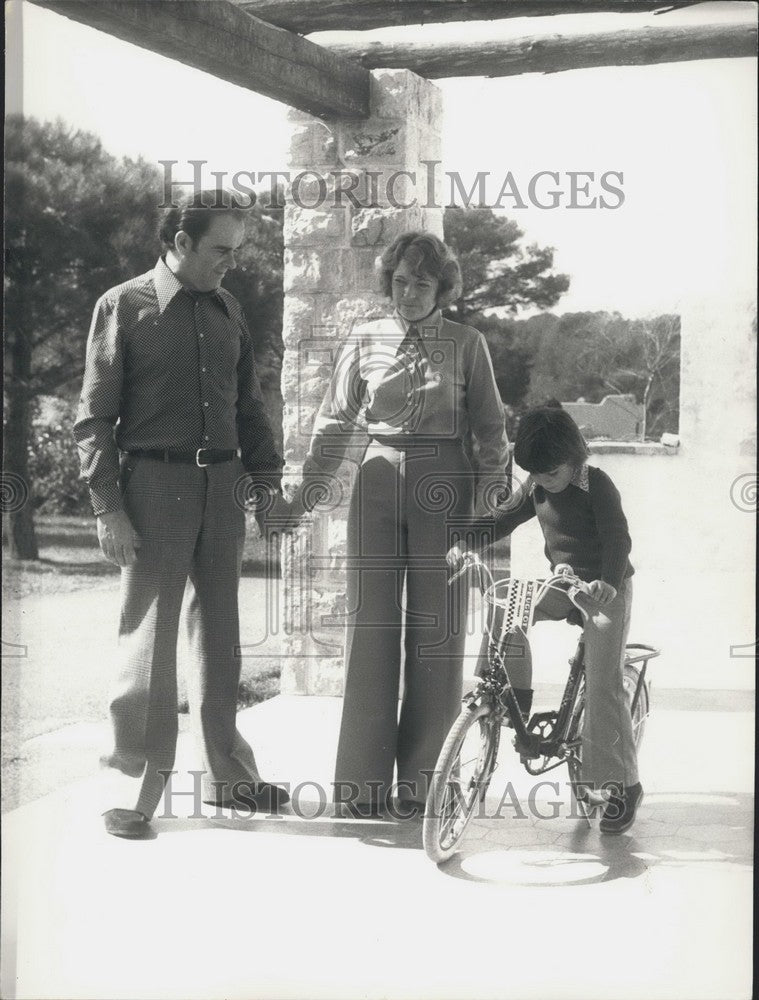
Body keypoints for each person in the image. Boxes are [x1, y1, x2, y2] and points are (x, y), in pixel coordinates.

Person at [74, 190, 292, 838]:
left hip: (221, 486)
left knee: (219, 639)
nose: (231, 263)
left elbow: (249, 409)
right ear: (179, 243)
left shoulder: (227, 311)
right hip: (154, 484)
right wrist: (108, 509)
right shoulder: (123, 306)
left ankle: (230, 779)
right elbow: (94, 419)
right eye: (221, 250)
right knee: (149, 641)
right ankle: (140, 794)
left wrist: (267, 489)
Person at [293, 231, 510, 816]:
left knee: (436, 638)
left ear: (443, 288)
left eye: (422, 282)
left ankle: (423, 789)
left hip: (448, 488)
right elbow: (335, 420)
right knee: (372, 629)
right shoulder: (364, 339)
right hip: (378, 485)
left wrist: (489, 509)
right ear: (388, 281)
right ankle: (360, 790)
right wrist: (306, 491)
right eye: (400, 280)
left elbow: (491, 432)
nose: (409, 292)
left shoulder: (468, 344)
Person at [449, 405, 643, 834]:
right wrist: (464, 540)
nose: (541, 482)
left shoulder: (597, 485)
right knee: (506, 604)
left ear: (574, 458)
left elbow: (618, 538)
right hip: (565, 583)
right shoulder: (536, 484)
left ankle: (622, 786)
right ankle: (510, 698)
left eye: (550, 473)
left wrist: (608, 582)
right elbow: (503, 518)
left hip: (603, 591)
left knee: (602, 685)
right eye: (534, 474)